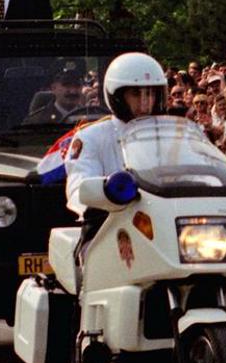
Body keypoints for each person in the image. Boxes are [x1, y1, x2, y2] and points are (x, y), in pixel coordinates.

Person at [62, 53, 169, 270]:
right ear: (117, 96)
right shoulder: (92, 136)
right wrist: (102, 193)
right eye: (136, 94)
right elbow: (79, 185)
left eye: (150, 93)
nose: (145, 102)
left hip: (164, 225)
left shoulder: (171, 135)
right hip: (110, 227)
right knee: (99, 267)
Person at [24, 60, 91, 124]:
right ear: (53, 88)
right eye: (66, 85)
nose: (73, 91)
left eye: (77, 85)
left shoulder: (91, 118)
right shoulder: (37, 120)